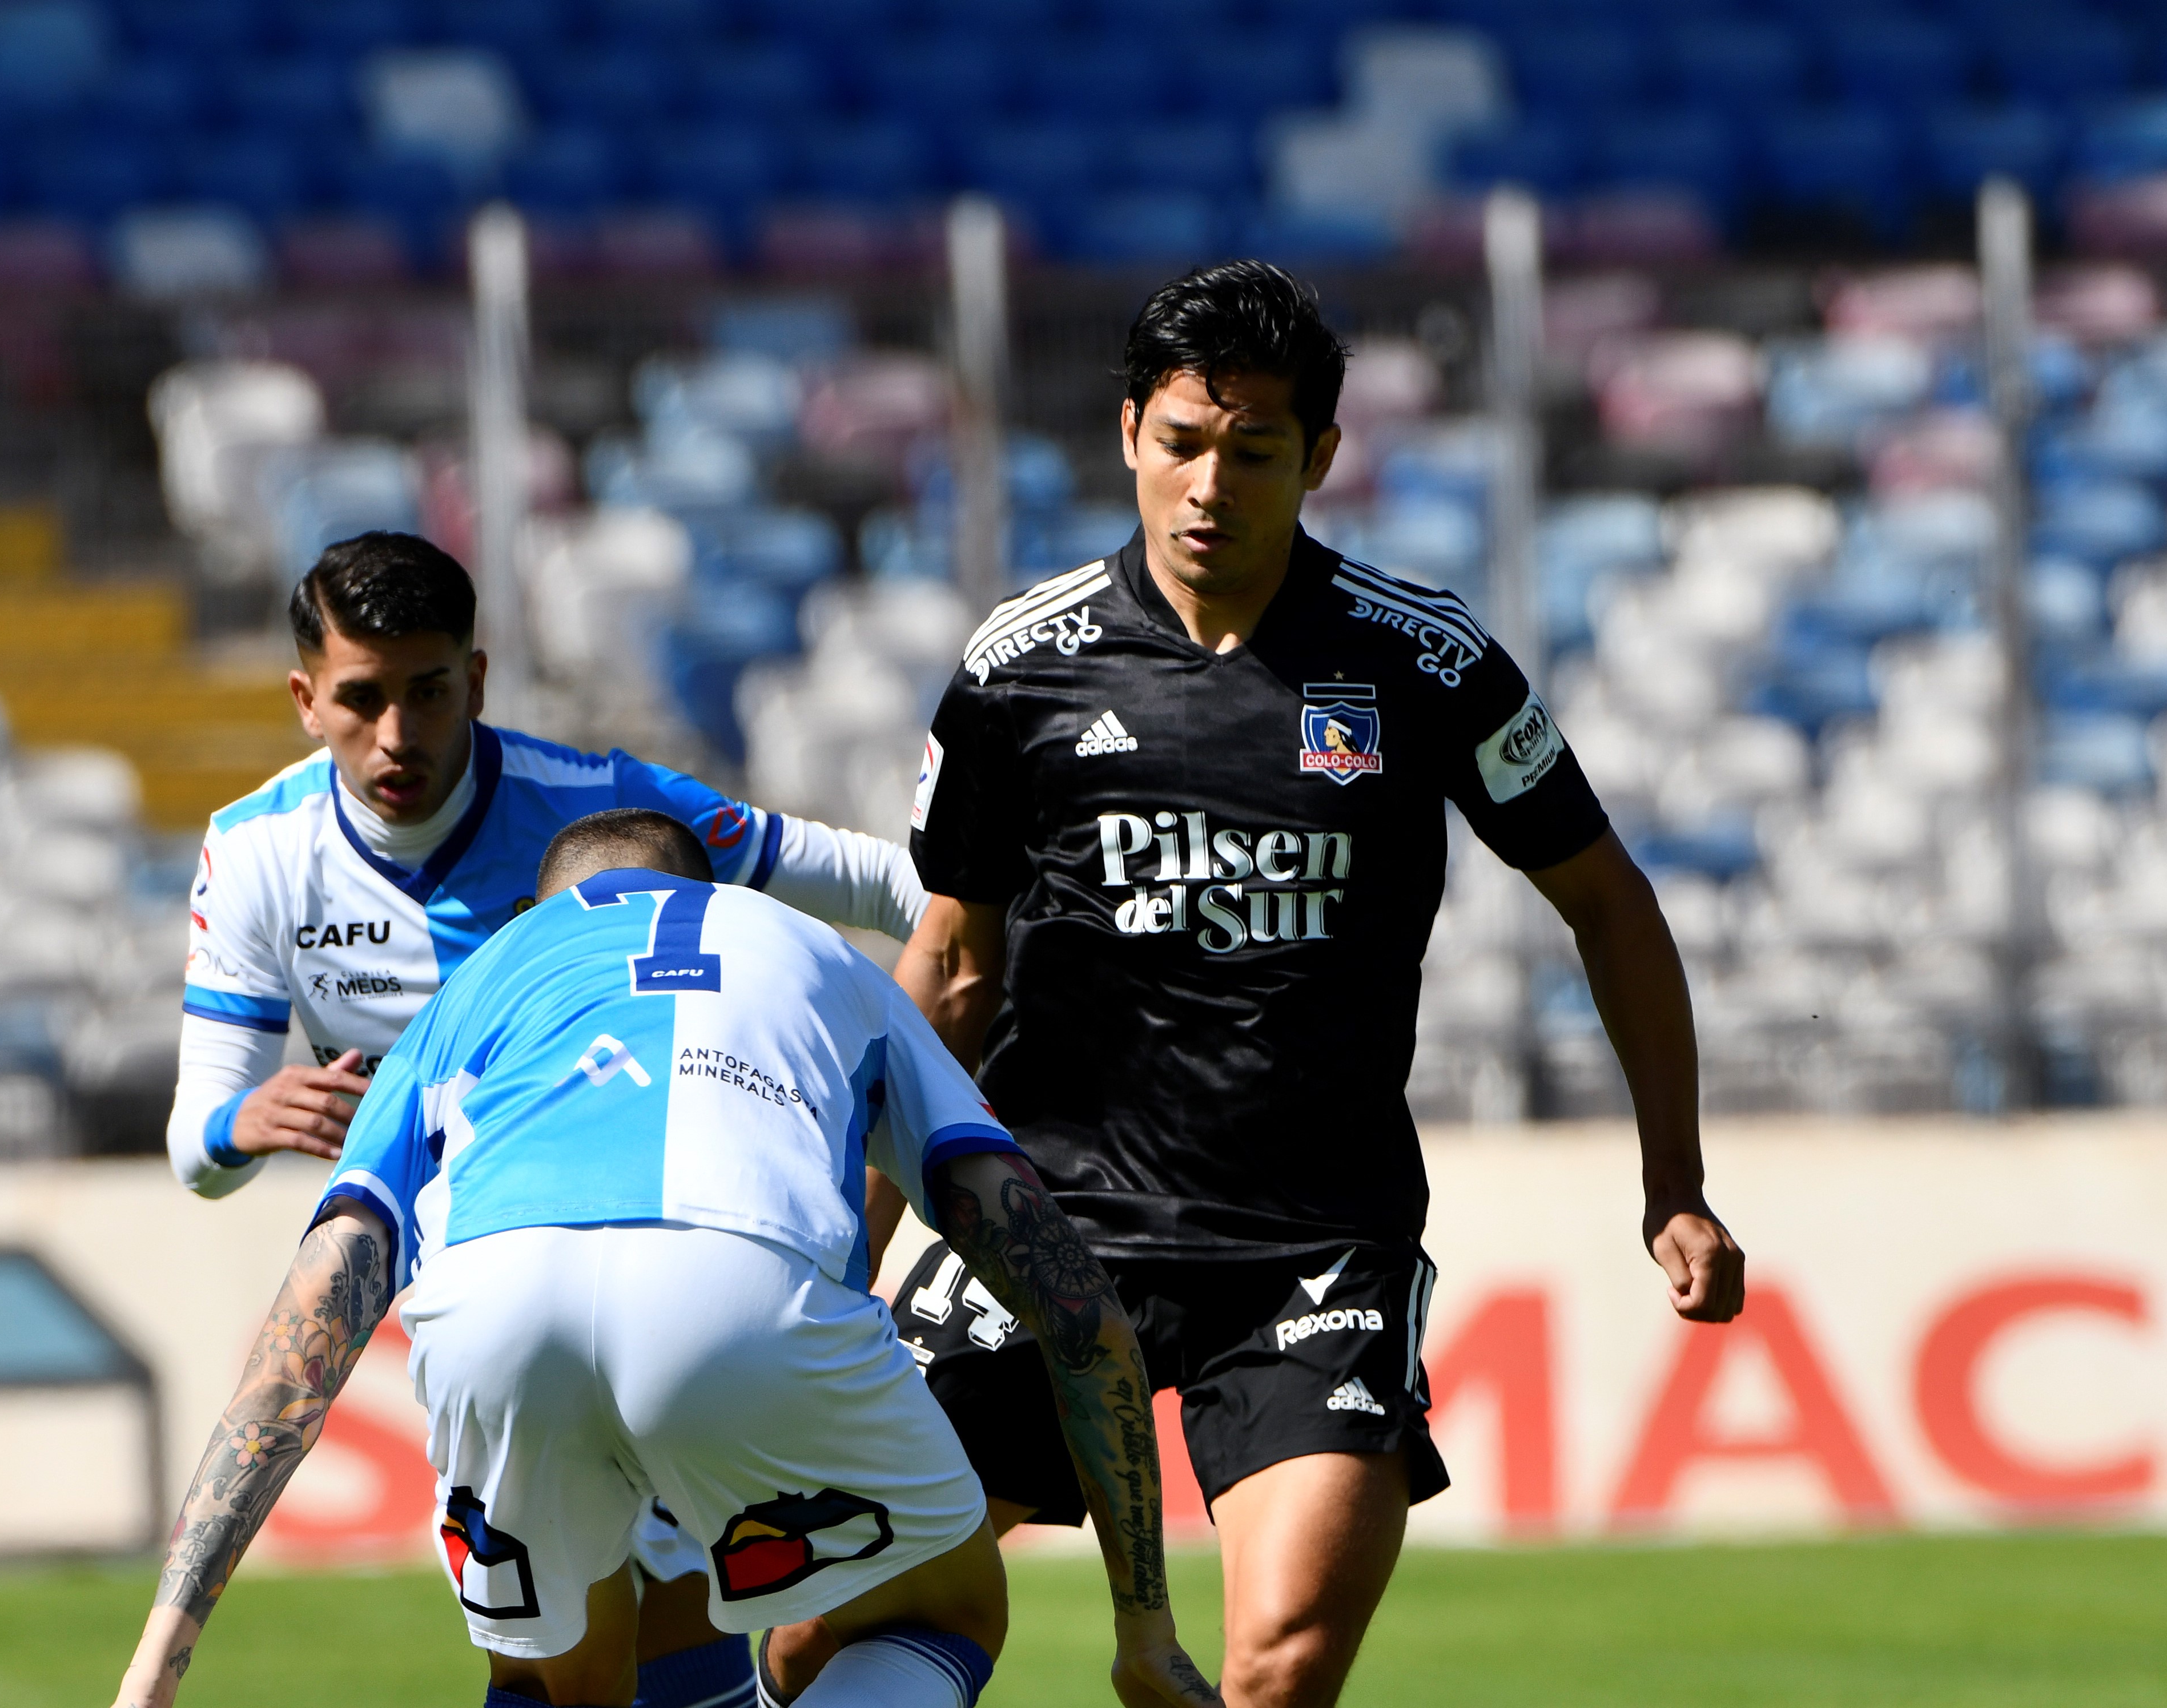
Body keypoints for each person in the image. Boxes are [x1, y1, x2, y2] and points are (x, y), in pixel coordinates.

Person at [812, 261, 1747, 1707]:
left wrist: (1671, 1180)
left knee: (1278, 1659)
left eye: (1253, 453)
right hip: (1042, 1214)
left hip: (1309, 1241)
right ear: (1128, 432)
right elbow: (947, 968)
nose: (1209, 485)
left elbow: (1608, 905)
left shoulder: (1424, 663)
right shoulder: (1020, 668)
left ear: (1318, 457)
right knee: (838, 1627)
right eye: (1182, 442)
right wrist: (834, 1241)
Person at [108, 810, 1220, 1708]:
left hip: (494, 1303)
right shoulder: (820, 955)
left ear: (538, 913)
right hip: (738, 1286)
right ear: (722, 895)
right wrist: (1146, 1633)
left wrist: (161, 1650)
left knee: (555, 1677)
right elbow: (1079, 1314)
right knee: (943, 1612)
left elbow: (311, 1323)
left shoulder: (480, 983)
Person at [167, 531, 928, 1706]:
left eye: (428, 693)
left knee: (634, 1631)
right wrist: (240, 1122)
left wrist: (943, 1003)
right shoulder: (260, 853)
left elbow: (892, 885)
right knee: (568, 1650)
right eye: (361, 699)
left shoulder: (600, 808)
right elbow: (194, 1151)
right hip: (475, 1286)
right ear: (303, 699)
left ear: (474, 680)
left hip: (673, 1236)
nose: (399, 735)